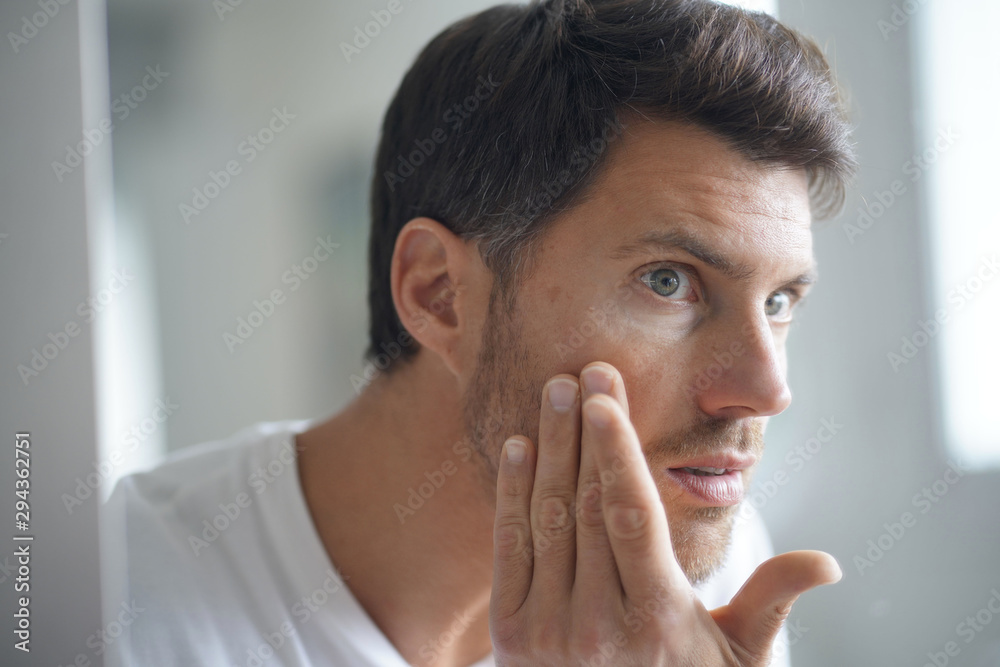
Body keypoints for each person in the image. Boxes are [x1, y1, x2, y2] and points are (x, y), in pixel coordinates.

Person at [104, 0, 857, 665]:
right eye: (668, 281)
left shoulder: (701, 569)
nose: (767, 389)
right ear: (438, 293)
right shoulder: (116, 600)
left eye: (779, 300)